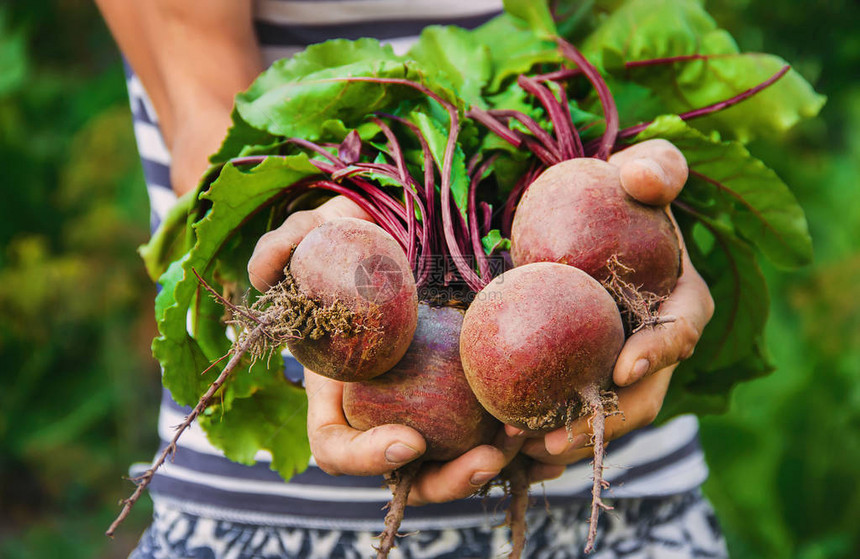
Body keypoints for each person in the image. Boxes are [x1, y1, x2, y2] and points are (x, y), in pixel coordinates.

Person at [95, 0, 728, 557]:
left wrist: (649, 223)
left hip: (634, 497)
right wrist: (311, 228)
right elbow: (204, 114)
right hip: (272, 520)